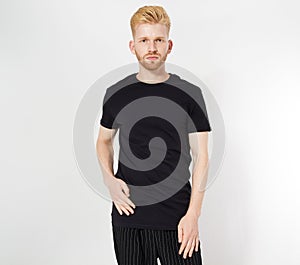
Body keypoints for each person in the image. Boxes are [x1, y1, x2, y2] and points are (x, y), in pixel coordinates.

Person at [96, 5, 212, 265]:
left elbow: (202, 156)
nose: (151, 47)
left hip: (178, 217)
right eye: (144, 40)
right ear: (132, 46)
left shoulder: (190, 94)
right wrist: (109, 179)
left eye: (158, 40)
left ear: (169, 45)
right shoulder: (116, 93)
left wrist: (193, 214)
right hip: (129, 217)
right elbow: (104, 141)